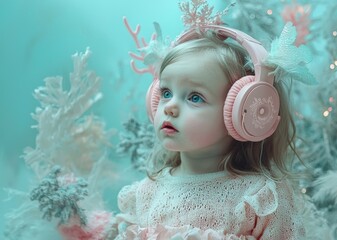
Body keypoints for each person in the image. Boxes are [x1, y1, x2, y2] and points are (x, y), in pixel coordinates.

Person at [60, 25, 306, 240]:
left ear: (242, 113)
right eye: (166, 93)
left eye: (195, 97)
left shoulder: (258, 198)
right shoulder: (147, 192)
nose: (170, 107)